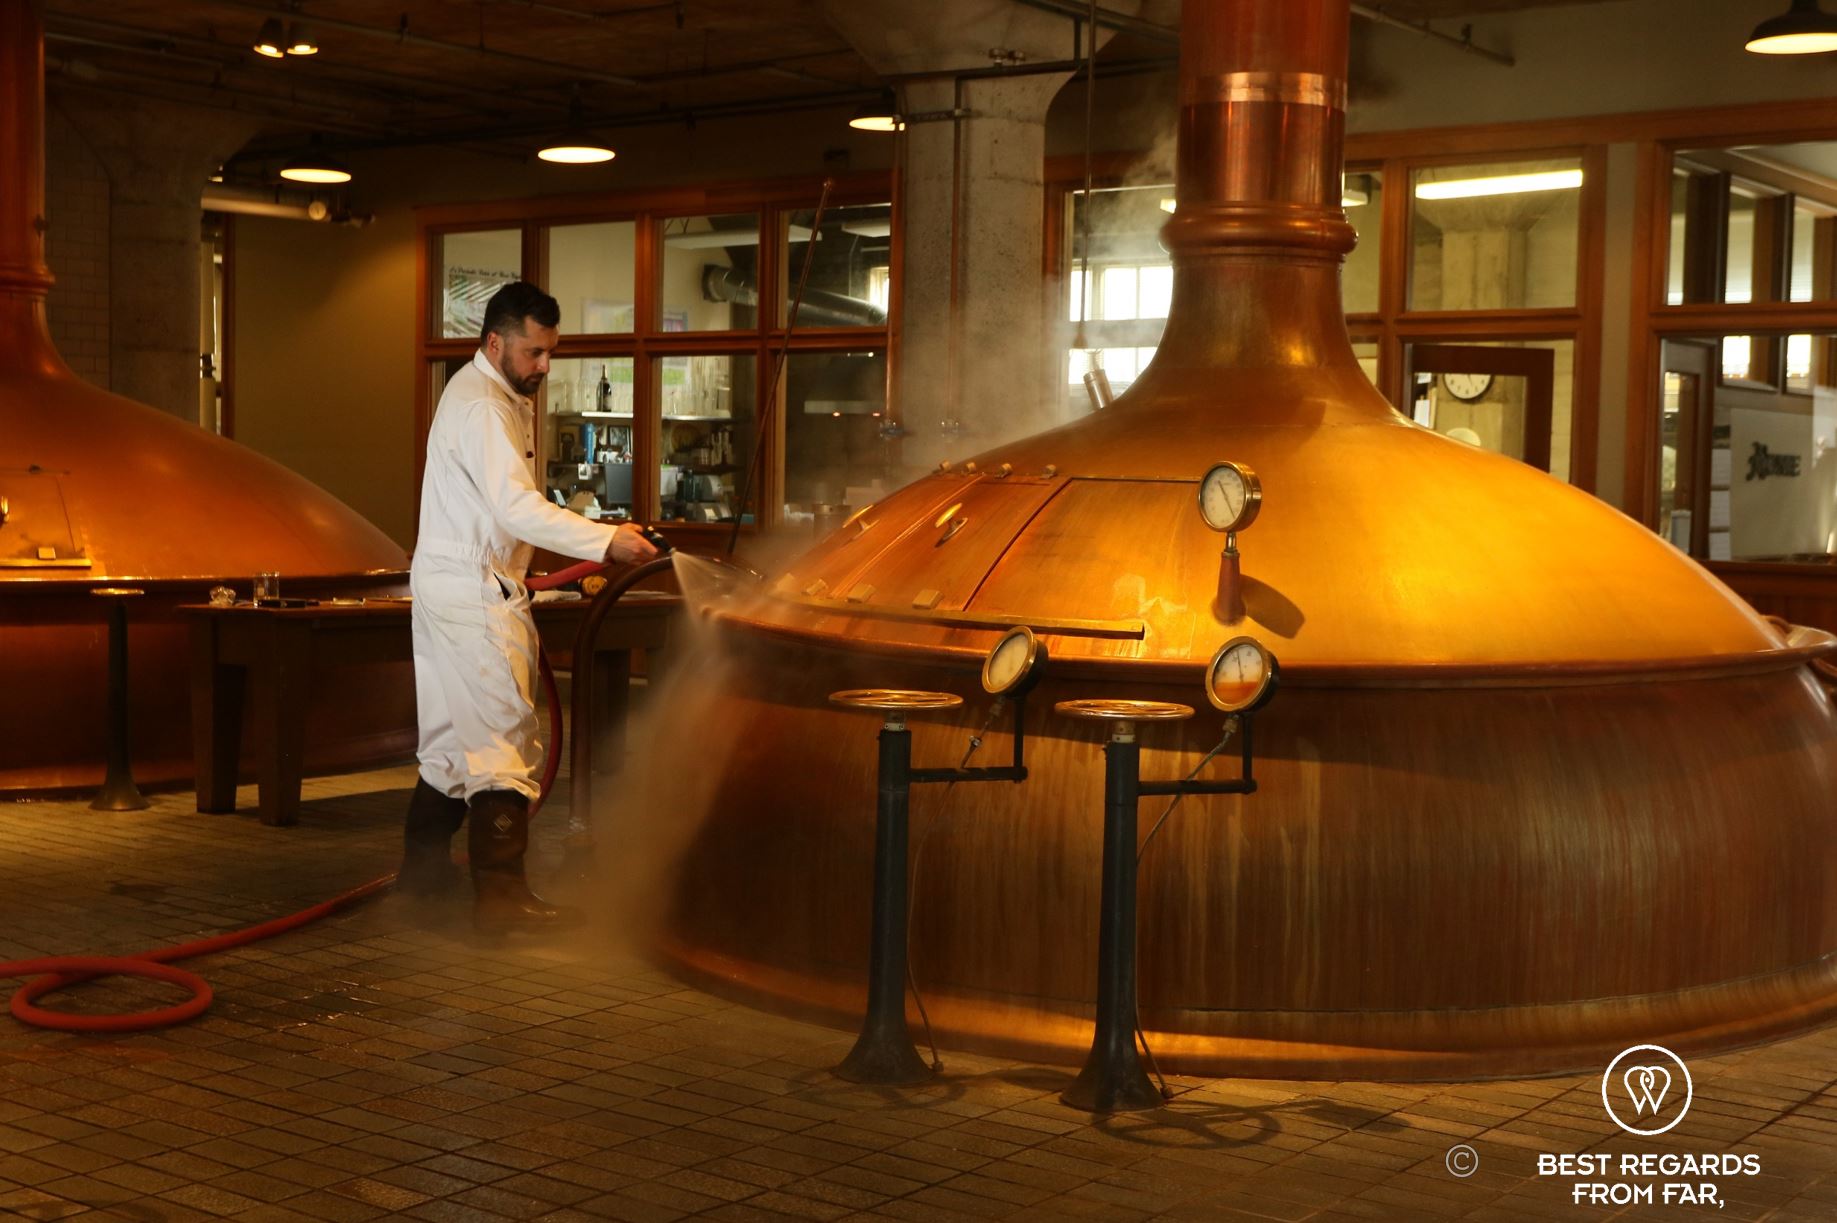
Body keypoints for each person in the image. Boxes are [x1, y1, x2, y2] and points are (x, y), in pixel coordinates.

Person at [400, 281, 658, 933]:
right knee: (502, 737)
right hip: (473, 587)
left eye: (549, 352)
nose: (544, 365)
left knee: (450, 741)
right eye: (533, 352)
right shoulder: (485, 406)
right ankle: (501, 901)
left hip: (449, 580)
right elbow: (514, 507)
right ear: (495, 342)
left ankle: (423, 877)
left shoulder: (485, 391)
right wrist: (605, 540)